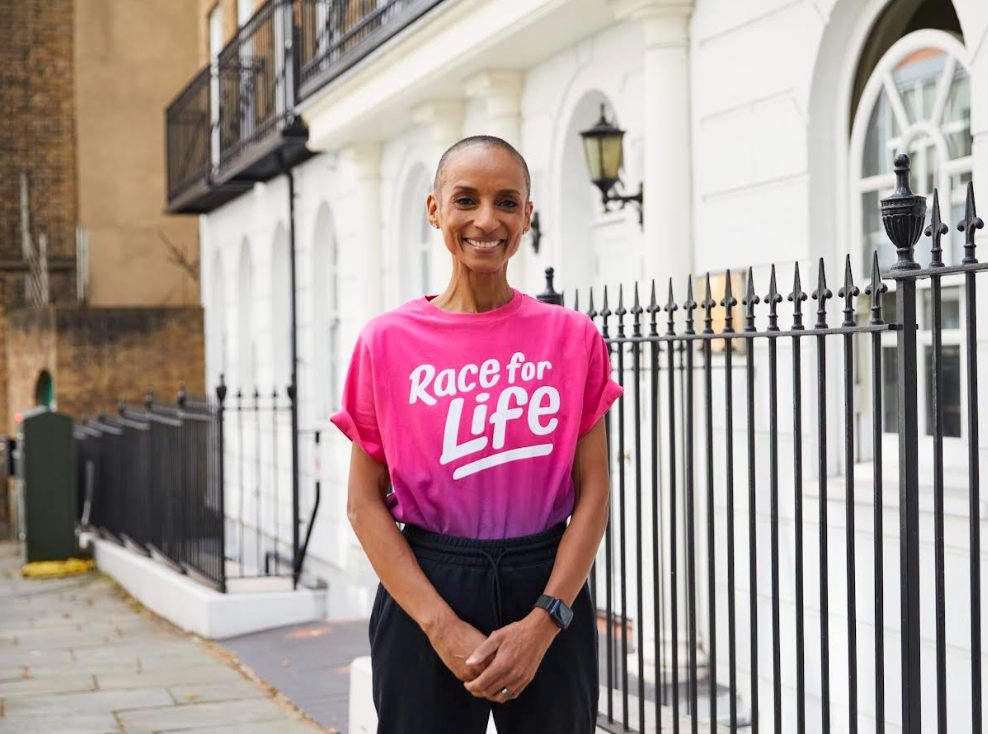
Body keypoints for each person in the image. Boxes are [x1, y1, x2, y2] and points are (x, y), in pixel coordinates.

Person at [330, 135, 623, 734]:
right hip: (428, 580)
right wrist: (439, 624)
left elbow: (594, 493)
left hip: (546, 577)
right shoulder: (386, 342)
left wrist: (545, 619)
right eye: (466, 200)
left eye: (507, 202)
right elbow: (363, 503)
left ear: (527, 216)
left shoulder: (573, 338)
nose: (487, 221)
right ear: (435, 209)